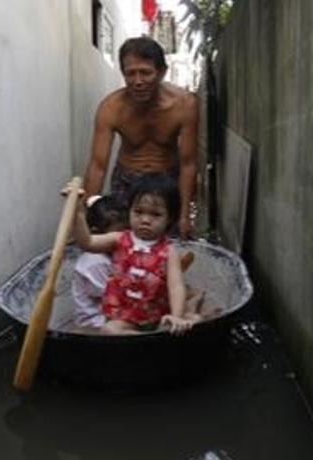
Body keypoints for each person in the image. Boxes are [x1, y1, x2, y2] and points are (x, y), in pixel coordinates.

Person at [83, 36, 199, 239]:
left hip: (167, 179)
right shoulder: (111, 108)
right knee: (121, 242)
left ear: (162, 72)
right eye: (130, 74)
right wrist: (86, 215)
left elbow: (188, 164)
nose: (138, 81)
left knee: (167, 244)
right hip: (127, 181)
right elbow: (97, 166)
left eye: (145, 73)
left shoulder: (184, 105)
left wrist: (184, 216)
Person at [71, 174, 196, 335]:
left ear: (169, 219)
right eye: (138, 212)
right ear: (129, 210)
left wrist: (176, 316)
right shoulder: (118, 239)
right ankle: (145, 340)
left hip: (157, 317)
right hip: (124, 319)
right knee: (109, 329)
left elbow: (175, 286)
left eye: (155, 215)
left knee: (191, 321)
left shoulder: (168, 251)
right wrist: (78, 214)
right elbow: (86, 242)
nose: (145, 220)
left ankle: (156, 334)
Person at [71, 195, 127, 328]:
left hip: (118, 312)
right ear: (96, 233)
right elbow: (113, 300)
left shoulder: (117, 253)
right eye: (118, 234)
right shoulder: (95, 262)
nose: (124, 240)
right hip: (97, 321)